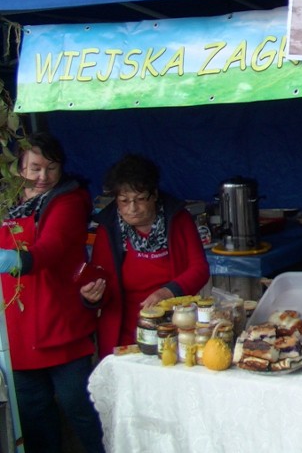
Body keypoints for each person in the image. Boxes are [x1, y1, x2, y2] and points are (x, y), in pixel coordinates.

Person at [0, 131, 105, 453]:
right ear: (19, 169)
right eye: (34, 168)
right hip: (17, 333)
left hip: (61, 327)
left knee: (81, 412)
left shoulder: (69, 200)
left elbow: (52, 248)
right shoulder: (7, 203)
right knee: (34, 421)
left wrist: (19, 259)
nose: (43, 176)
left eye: (51, 168)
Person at [80, 153, 210, 359]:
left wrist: (167, 292)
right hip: (124, 331)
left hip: (174, 326)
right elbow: (102, 280)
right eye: (124, 201)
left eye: (140, 199)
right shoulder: (108, 228)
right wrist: (93, 296)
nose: (133, 208)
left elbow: (199, 269)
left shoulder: (178, 220)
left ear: (155, 194)